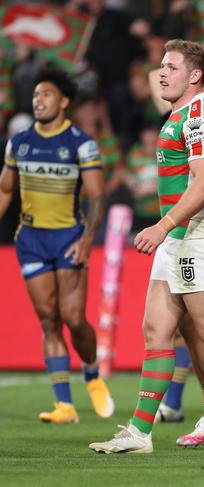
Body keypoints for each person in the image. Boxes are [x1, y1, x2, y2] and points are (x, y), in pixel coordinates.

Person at [89, 40, 204, 454]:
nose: (161, 73)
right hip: (179, 237)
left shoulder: (201, 115)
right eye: (160, 66)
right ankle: (139, 433)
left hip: (202, 234)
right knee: (156, 332)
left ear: (193, 76)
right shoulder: (177, 115)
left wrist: (163, 223)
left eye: (170, 67)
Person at [0, 67, 113, 424]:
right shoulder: (19, 141)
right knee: (48, 320)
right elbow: (5, 189)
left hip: (68, 238)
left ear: (63, 101)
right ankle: (64, 405)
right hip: (32, 239)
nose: (38, 100)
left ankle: (92, 372)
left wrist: (87, 240)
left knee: (74, 318)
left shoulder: (80, 143)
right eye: (35, 95)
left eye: (45, 94)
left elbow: (96, 197)